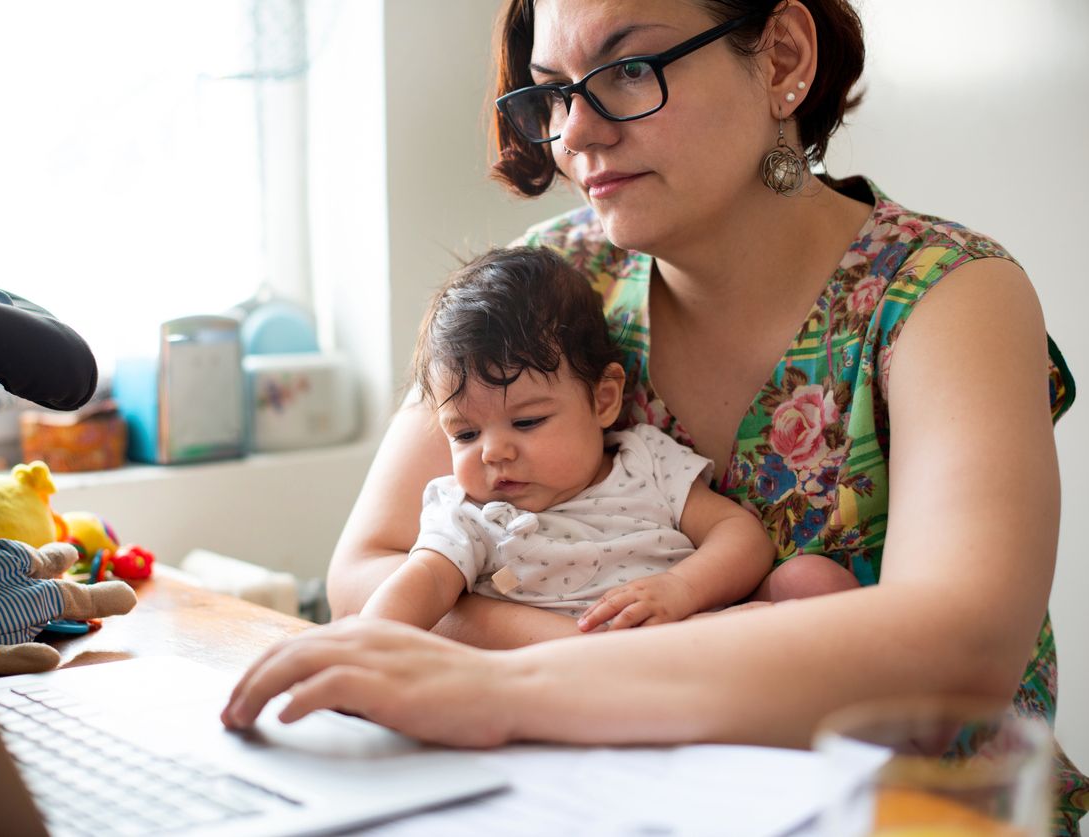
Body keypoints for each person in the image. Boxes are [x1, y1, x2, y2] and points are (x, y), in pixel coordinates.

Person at [224, 1, 1085, 833]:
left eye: (628, 70)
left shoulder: (947, 295)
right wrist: (582, 648)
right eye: (556, 90)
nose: (574, 133)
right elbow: (365, 569)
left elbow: (958, 649)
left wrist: (506, 684)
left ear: (782, 58)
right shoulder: (553, 281)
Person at [361, 246, 785, 633]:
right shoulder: (470, 514)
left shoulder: (645, 461)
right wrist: (364, 642)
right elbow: (425, 583)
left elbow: (738, 533)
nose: (493, 452)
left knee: (809, 581)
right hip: (564, 681)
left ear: (603, 400)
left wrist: (683, 587)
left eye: (527, 422)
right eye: (466, 433)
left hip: (693, 640)